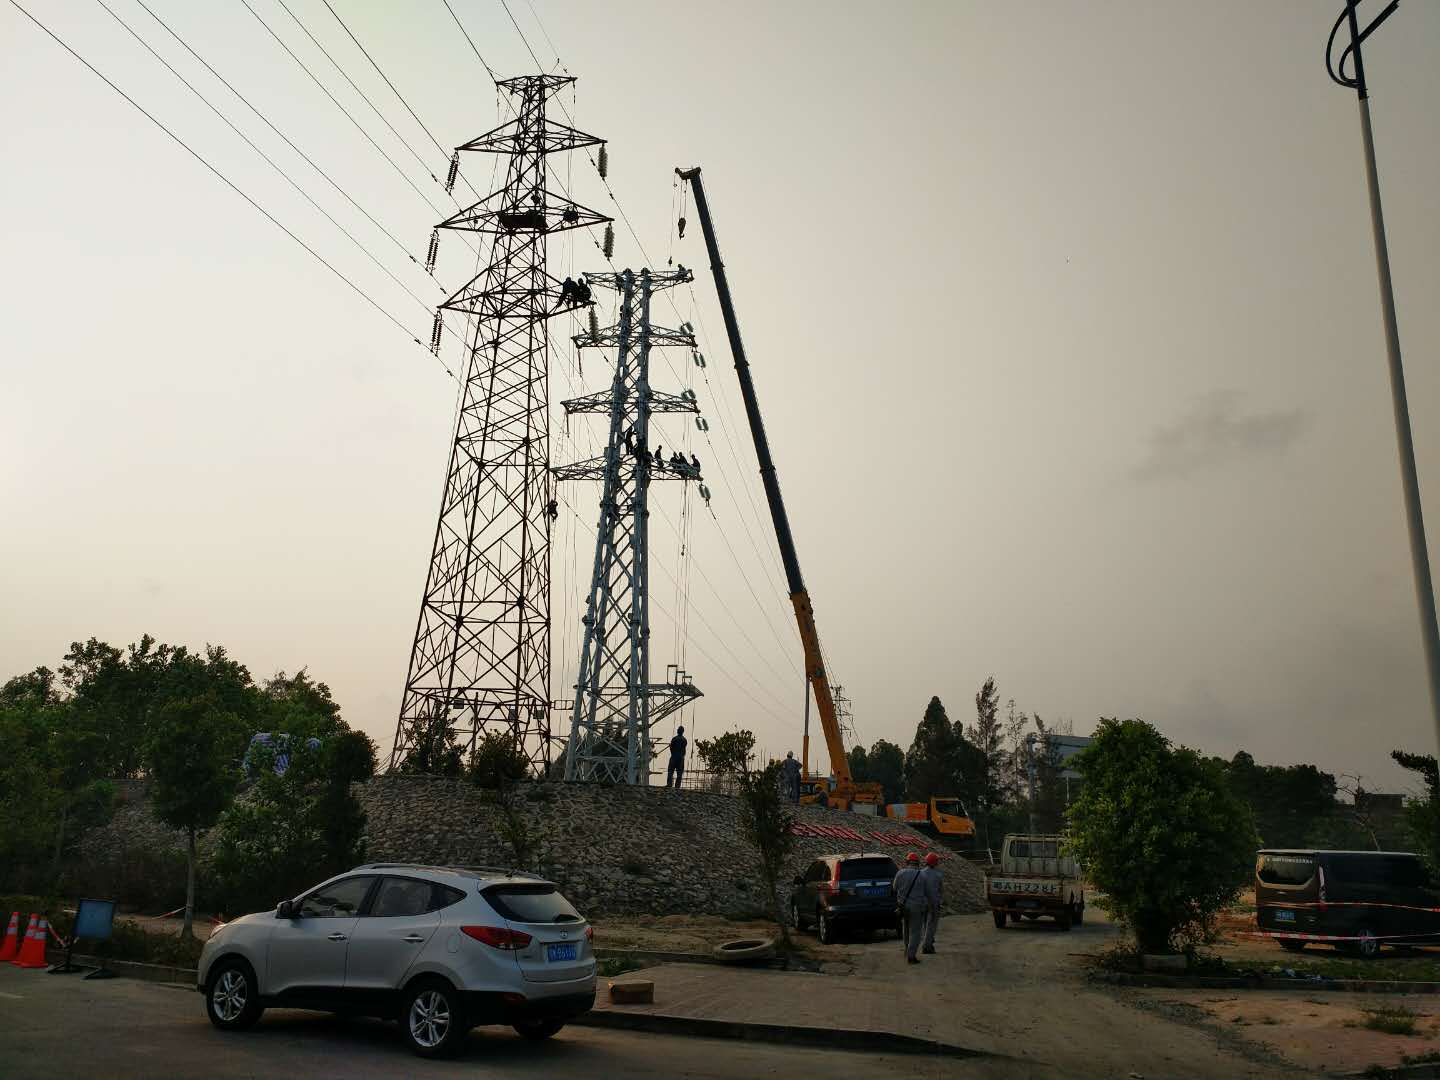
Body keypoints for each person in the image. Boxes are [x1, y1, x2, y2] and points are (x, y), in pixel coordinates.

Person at [893, 852, 927, 964]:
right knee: (915, 932)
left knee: (905, 928)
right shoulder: (922, 875)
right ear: (918, 863)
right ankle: (911, 956)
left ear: (907, 862)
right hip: (916, 907)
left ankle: (907, 949)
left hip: (903, 906)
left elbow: (894, 888)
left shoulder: (900, 873)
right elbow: (926, 892)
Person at [920, 851, 943, 954]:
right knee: (931, 925)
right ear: (935, 862)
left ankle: (927, 941)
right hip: (933, 903)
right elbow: (941, 890)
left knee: (925, 924)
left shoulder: (921, 873)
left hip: (922, 903)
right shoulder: (938, 875)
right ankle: (927, 946)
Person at [666, 725, 687, 790]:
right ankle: (677, 786)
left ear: (678, 731)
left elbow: (671, 748)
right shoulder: (684, 740)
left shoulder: (674, 739)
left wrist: (673, 754)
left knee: (670, 771)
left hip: (674, 757)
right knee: (679, 773)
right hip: (681, 758)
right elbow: (684, 749)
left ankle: (669, 784)